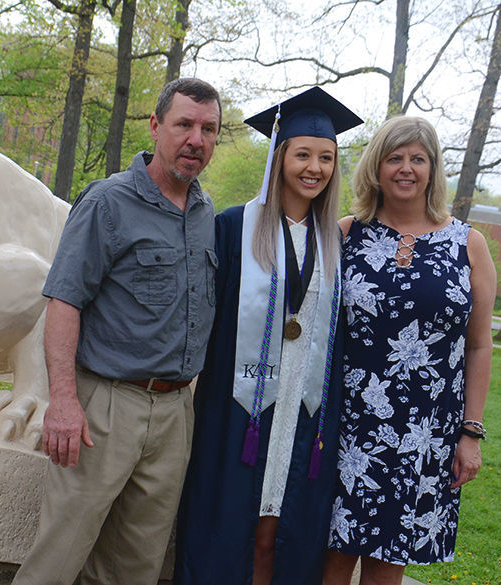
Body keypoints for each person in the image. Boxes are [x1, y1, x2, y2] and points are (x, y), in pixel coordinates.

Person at [10, 78, 221, 585]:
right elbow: (64, 302)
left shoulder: (206, 214)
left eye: (208, 129)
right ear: (155, 126)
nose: (196, 139)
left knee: (135, 566)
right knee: (58, 556)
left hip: (174, 414)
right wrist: (62, 400)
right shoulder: (108, 201)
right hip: (103, 407)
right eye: (184, 124)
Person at [175, 87, 363, 585]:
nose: (314, 168)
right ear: (280, 157)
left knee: (279, 531)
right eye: (303, 154)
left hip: (304, 410)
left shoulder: (338, 242)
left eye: (326, 158)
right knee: (232, 525)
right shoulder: (234, 227)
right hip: (239, 405)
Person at [322, 116, 495, 585]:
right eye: (394, 158)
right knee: (329, 557)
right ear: (376, 168)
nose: (405, 168)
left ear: (433, 169)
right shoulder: (344, 234)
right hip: (349, 425)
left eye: (417, 159)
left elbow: (480, 346)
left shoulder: (469, 245)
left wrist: (470, 433)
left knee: (387, 561)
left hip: (425, 432)